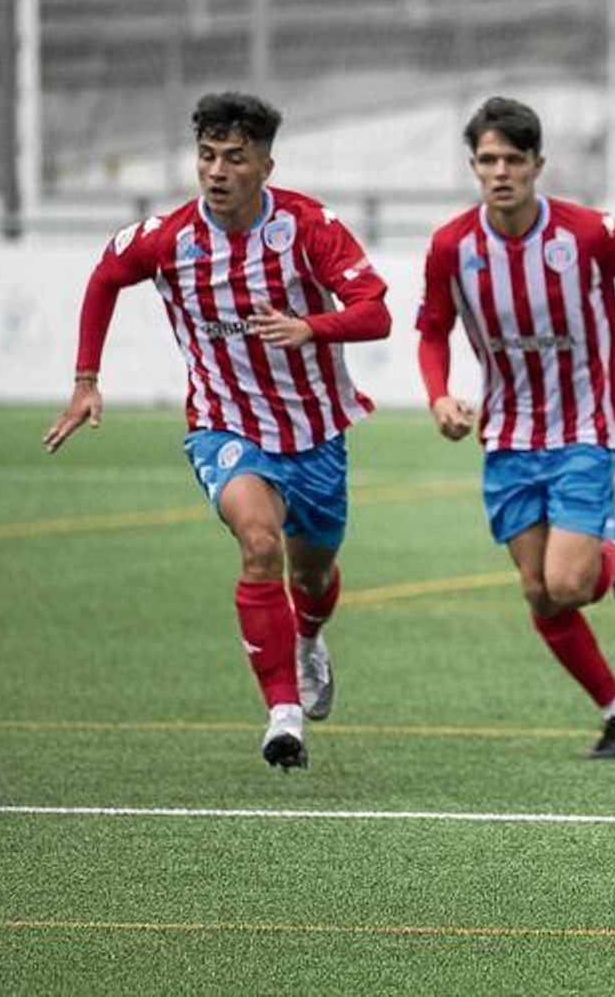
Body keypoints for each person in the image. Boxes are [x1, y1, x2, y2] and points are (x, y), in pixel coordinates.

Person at [42, 91, 393, 770]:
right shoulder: (171, 238)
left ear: (265, 164)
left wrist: (309, 327)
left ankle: (309, 639)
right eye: (207, 156)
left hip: (316, 432)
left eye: (235, 158)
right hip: (225, 425)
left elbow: (374, 311)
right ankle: (283, 715)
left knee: (312, 576)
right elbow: (106, 275)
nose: (218, 171)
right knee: (259, 544)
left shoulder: (308, 228)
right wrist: (86, 379)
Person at [416, 96, 615, 760]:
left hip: (585, 429)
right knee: (540, 594)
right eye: (487, 160)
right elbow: (432, 329)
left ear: (538, 164)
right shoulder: (453, 245)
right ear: (473, 166)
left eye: (513, 159)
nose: (500, 172)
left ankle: (614, 550)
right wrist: (439, 396)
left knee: (569, 584)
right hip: (508, 437)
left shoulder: (589, 232)